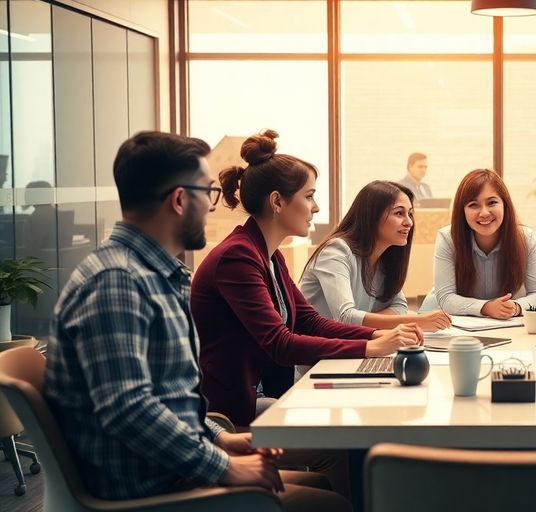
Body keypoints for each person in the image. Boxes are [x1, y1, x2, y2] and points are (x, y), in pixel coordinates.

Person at [44, 131, 348, 510]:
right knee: (329, 503)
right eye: (209, 193)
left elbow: (168, 398)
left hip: (169, 470)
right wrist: (223, 466)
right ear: (180, 199)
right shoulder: (117, 282)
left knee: (322, 481)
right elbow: (129, 408)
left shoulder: (153, 274)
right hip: (145, 489)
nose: (214, 206)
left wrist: (219, 437)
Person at [191, 130, 424, 429]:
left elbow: (309, 321)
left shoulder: (269, 255)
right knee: (342, 445)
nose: (316, 207)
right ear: (277, 201)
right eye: (309, 196)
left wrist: (376, 336)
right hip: (231, 413)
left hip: (263, 397)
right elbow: (280, 344)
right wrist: (371, 348)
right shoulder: (237, 258)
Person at [300, 180, 451, 331]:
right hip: (317, 350)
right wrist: (418, 321)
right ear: (372, 216)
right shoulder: (335, 251)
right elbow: (345, 317)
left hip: (352, 344)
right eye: (399, 213)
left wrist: (368, 322)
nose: (409, 222)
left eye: (409, 214)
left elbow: (400, 306)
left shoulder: (385, 258)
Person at [420, 168, 536, 319]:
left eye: (492, 202)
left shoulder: (526, 239)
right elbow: (446, 298)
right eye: (473, 205)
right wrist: (486, 307)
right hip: (447, 320)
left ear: (505, 205)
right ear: (462, 211)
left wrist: (516, 307)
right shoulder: (448, 238)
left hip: (505, 323)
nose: (484, 212)